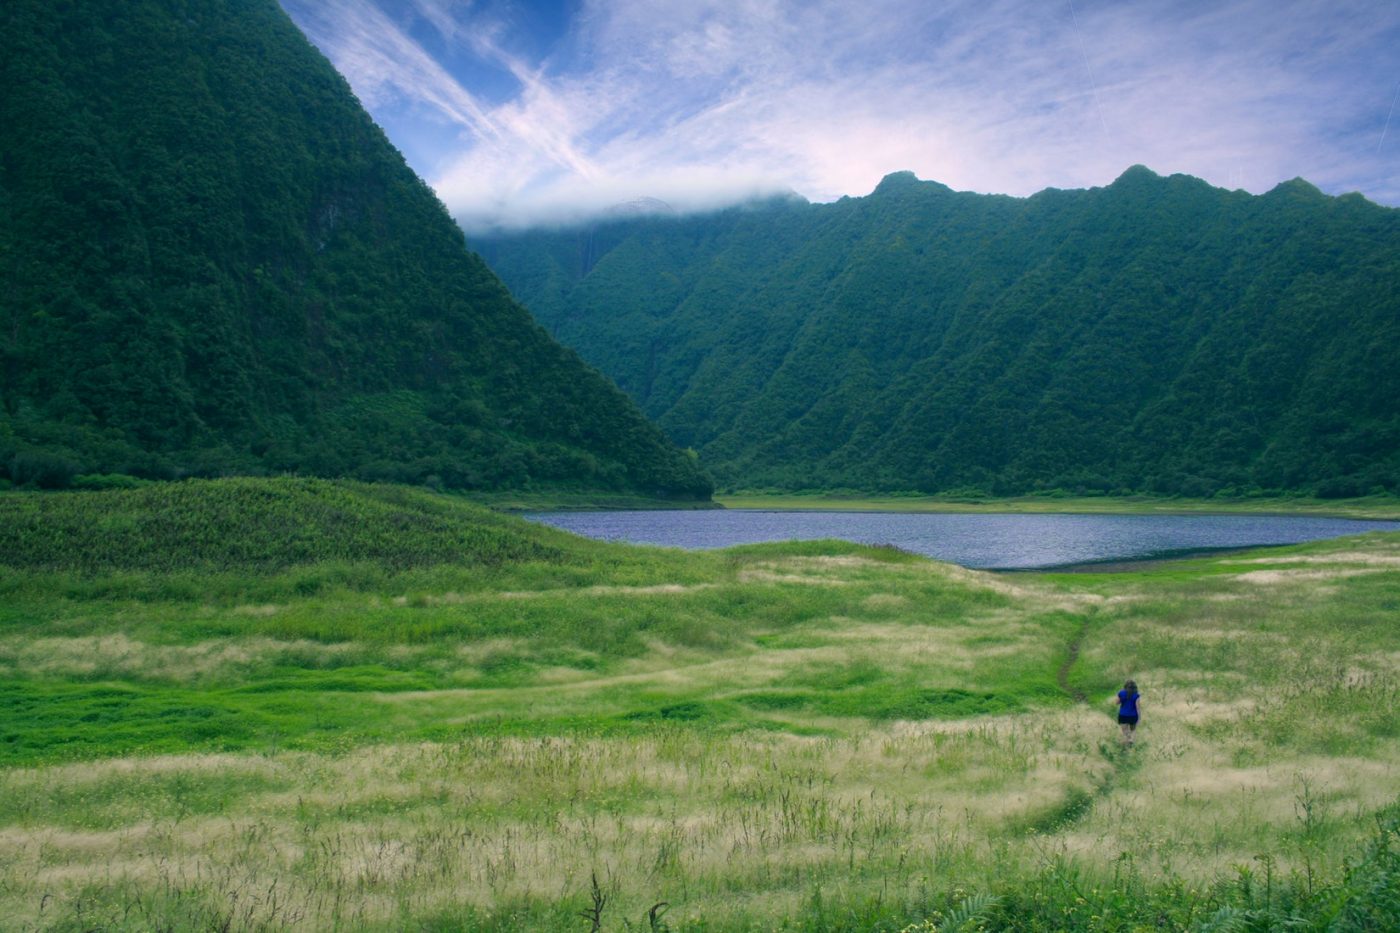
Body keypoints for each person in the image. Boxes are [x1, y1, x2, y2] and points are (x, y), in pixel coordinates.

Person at [1116, 680, 1141, 747]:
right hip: (1133, 715)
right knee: (1133, 730)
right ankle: (1131, 740)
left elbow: (1117, 702)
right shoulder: (1136, 695)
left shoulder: (1121, 693)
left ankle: (1127, 741)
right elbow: (1138, 707)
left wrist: (1122, 699)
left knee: (1125, 731)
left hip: (1123, 715)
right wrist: (1139, 718)